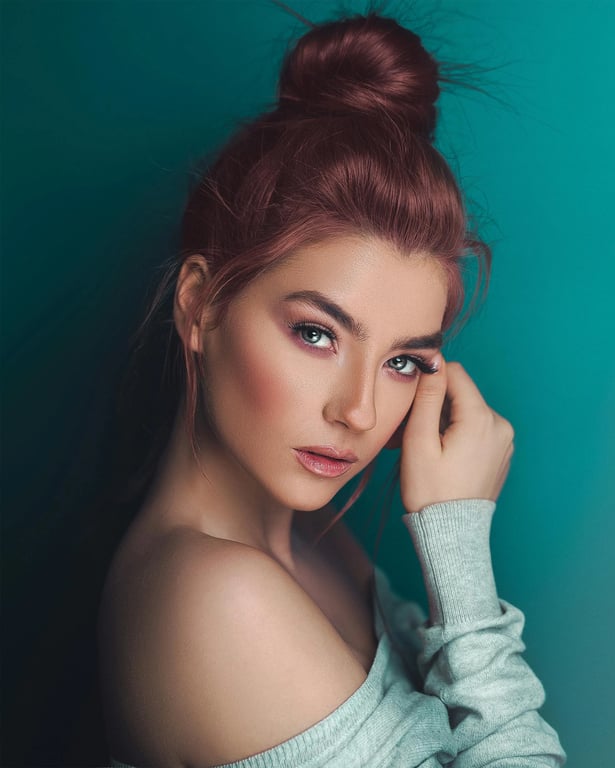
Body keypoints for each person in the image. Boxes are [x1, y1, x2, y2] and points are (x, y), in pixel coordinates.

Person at [98, 10, 567, 768]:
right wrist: (458, 548)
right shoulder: (215, 600)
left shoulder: (310, 535)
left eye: (403, 362)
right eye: (316, 334)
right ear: (200, 305)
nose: (357, 412)